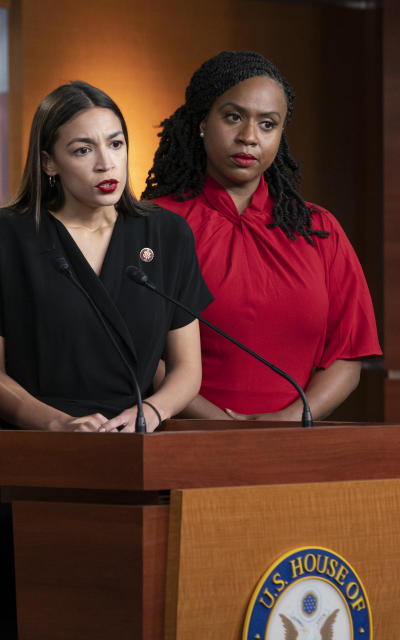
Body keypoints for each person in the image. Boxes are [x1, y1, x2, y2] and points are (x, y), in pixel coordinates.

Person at [0, 81, 211, 639]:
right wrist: (55, 423)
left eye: (116, 143)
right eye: (82, 149)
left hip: (136, 464)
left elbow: (188, 370)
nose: (107, 162)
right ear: (48, 162)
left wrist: (149, 413)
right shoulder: (6, 235)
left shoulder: (165, 234)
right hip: (31, 465)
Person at [143, 51, 381, 421]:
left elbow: (347, 356)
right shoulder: (155, 225)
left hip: (293, 448)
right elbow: (142, 351)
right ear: (203, 121)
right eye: (234, 117)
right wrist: (219, 427)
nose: (249, 137)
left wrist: (283, 424)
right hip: (183, 441)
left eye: (268, 124)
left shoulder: (320, 230)